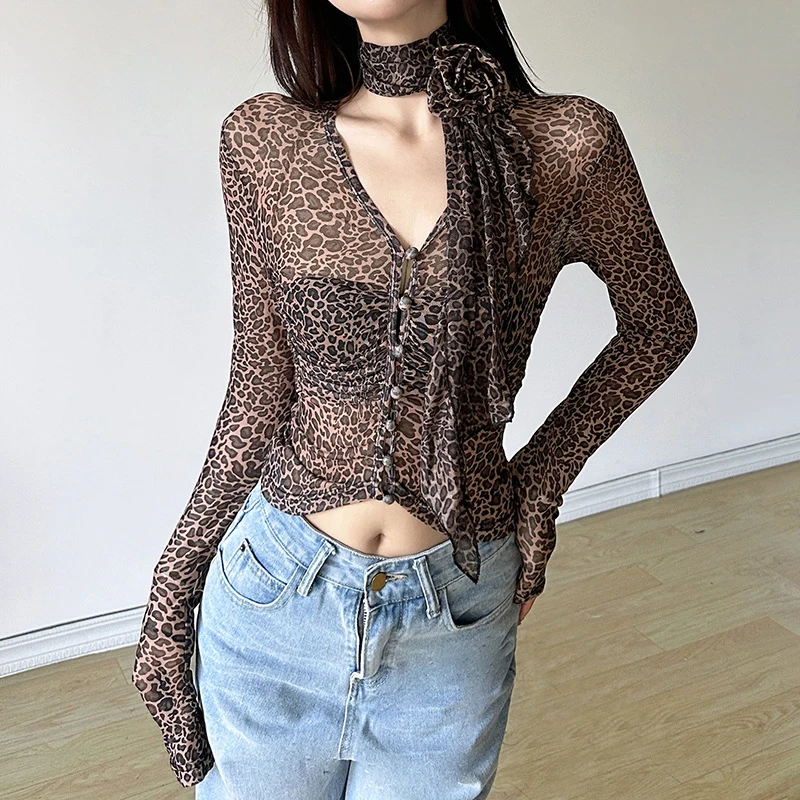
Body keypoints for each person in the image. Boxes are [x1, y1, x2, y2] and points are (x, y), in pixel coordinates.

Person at [131, 2, 698, 797]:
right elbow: (260, 382)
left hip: (455, 610)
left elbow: (660, 324)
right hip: (275, 594)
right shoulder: (266, 140)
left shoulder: (566, 143)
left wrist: (539, 483)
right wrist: (172, 589)